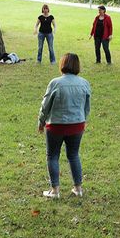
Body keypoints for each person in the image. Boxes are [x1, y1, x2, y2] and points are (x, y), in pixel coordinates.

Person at [38, 53, 91, 199]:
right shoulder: (84, 83)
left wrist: (41, 122)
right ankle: (78, 188)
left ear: (62, 65)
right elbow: (87, 106)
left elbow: (45, 105)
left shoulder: (55, 83)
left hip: (56, 125)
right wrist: (84, 120)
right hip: (77, 125)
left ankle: (55, 191)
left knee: (52, 156)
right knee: (74, 155)